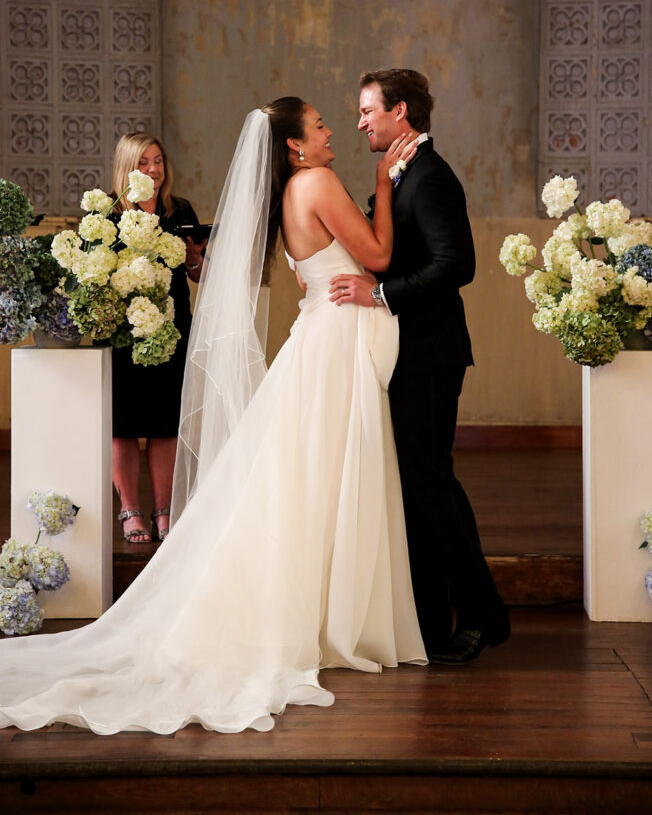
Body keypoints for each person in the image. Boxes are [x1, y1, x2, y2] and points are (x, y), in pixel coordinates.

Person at [0, 99, 425, 735]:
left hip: (320, 338)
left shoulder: (291, 192)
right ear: (295, 146)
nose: (333, 129)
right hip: (334, 342)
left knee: (309, 475)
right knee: (329, 472)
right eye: (319, 125)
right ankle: (329, 616)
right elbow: (380, 255)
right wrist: (383, 187)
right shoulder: (320, 182)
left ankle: (318, 607)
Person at [329, 69, 510, 663]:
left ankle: (483, 616)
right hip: (407, 353)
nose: (359, 123)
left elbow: (457, 264)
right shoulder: (403, 170)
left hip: (431, 354)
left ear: (399, 110)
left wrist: (379, 296)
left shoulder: (430, 175)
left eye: (366, 111)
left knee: (431, 484)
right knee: (413, 487)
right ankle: (430, 621)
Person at [109, 134, 207, 544]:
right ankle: (130, 509)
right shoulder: (109, 215)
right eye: (144, 162)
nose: (153, 170)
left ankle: (164, 510)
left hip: (172, 327)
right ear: (127, 169)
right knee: (125, 425)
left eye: (159, 161)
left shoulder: (178, 210)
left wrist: (196, 258)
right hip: (124, 334)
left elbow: (199, 274)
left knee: (166, 425)